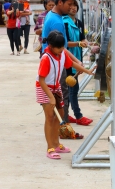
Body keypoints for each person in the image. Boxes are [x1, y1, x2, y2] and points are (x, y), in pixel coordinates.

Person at [36, 30, 94, 160]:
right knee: (50, 117)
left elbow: (71, 63)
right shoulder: (46, 58)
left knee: (61, 115)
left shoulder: (61, 54)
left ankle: (56, 144)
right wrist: (50, 97)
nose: (62, 50)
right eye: (59, 48)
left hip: (56, 87)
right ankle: (50, 148)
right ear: (50, 46)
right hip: (44, 88)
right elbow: (41, 80)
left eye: (63, 47)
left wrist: (88, 71)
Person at [41, 0, 84, 139]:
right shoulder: (57, 22)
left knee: (61, 96)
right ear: (60, 2)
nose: (71, 7)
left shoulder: (53, 16)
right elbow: (62, 50)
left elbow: (63, 48)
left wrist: (76, 61)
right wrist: (77, 63)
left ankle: (61, 127)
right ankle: (63, 129)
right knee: (61, 97)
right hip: (53, 65)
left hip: (54, 62)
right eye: (69, 4)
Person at [63, 0, 93, 126]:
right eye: (70, 6)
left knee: (71, 88)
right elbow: (64, 43)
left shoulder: (79, 22)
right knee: (72, 88)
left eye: (75, 6)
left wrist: (87, 43)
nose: (73, 8)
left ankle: (66, 115)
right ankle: (77, 115)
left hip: (77, 58)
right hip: (68, 59)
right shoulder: (63, 23)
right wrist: (78, 44)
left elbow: (82, 38)